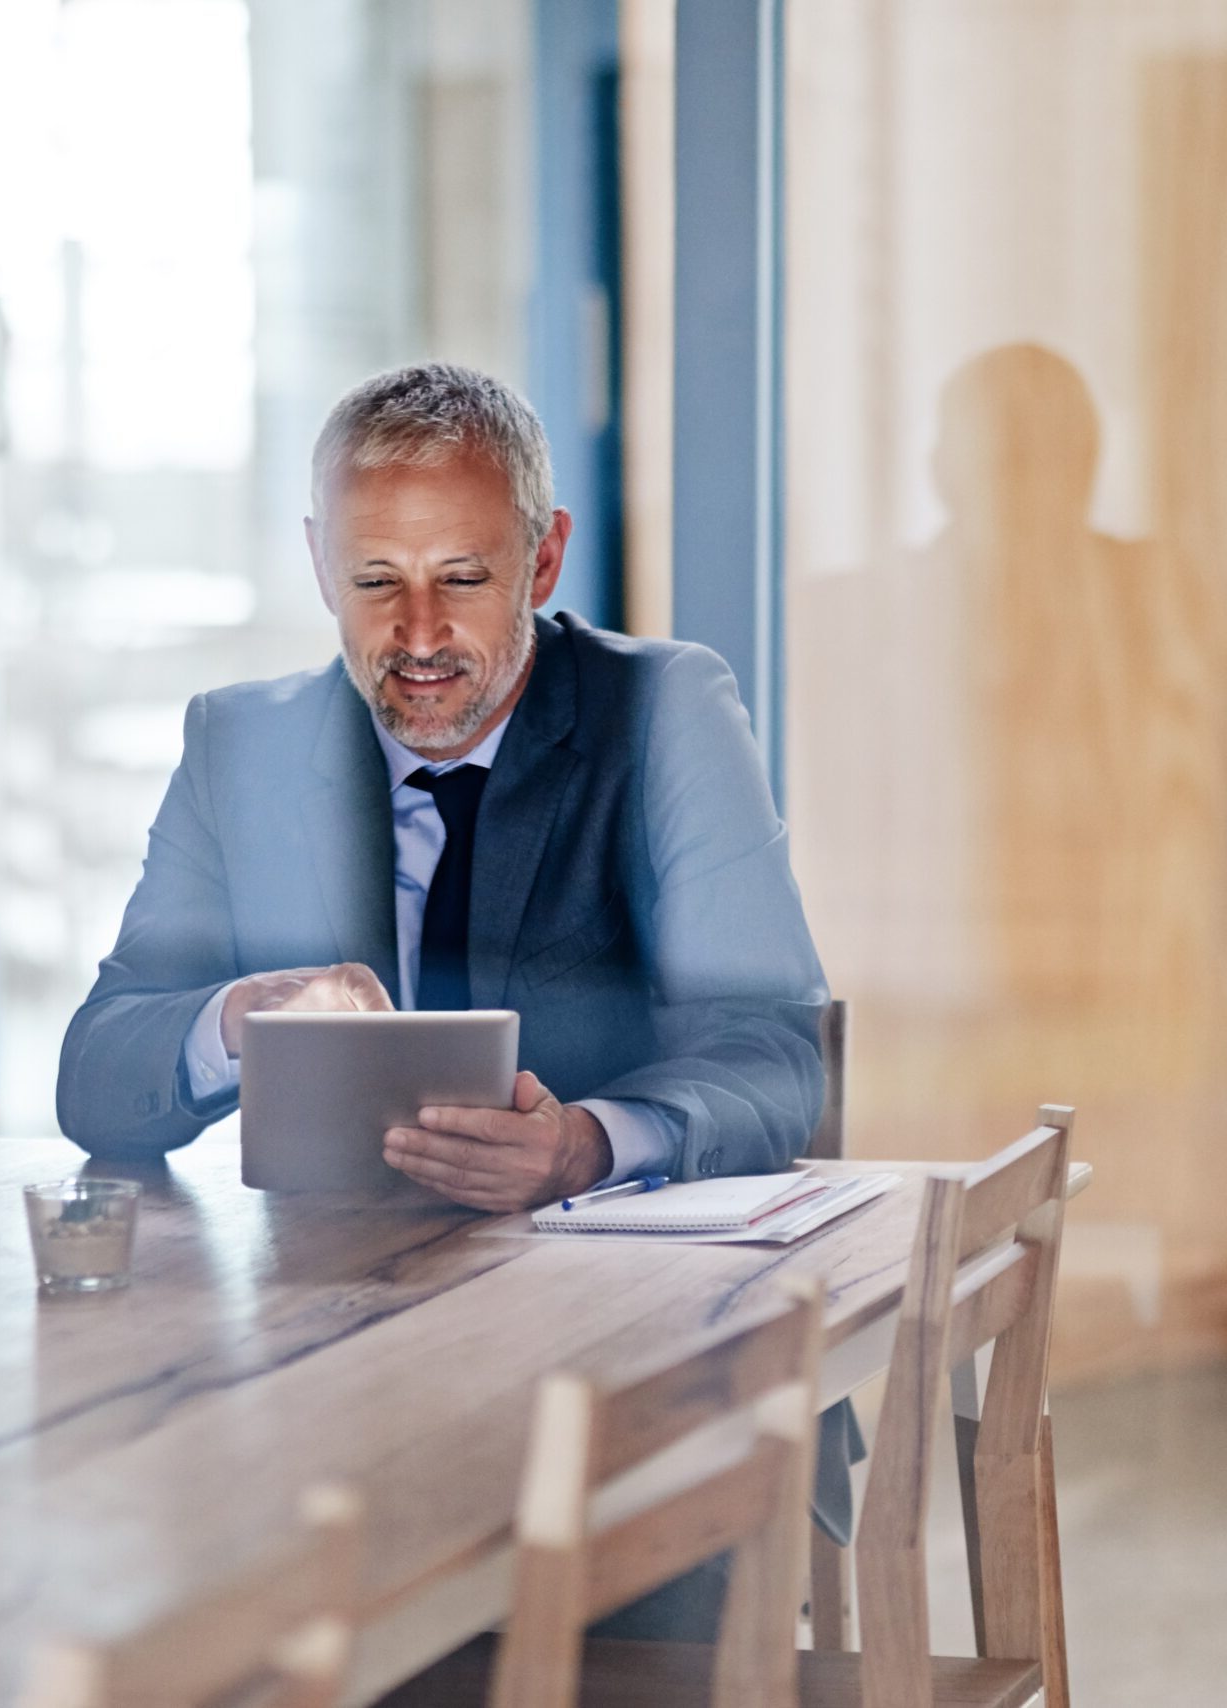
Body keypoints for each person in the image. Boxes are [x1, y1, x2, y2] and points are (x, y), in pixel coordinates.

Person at [57, 363, 829, 1209]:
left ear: (542, 562)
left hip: (601, 1293)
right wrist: (249, 1012)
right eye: (375, 579)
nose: (418, 634)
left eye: (461, 579)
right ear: (321, 565)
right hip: (323, 1285)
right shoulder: (240, 744)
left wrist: (587, 1144)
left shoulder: (660, 712)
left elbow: (771, 1056)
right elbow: (96, 1076)